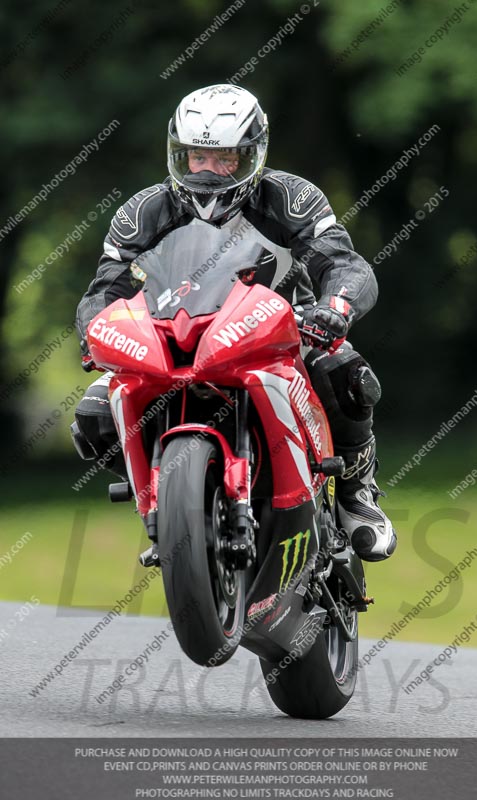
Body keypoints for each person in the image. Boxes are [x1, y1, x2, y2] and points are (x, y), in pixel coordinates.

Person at [74, 83, 396, 562]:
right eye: (194, 157)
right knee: (94, 413)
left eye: (225, 158)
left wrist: (336, 307)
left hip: (282, 334)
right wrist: (95, 333)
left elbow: (344, 264)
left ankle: (356, 493)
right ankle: (172, 502)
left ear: (254, 155)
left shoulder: (291, 199)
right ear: (175, 154)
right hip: (175, 339)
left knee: (347, 373)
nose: (206, 171)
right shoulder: (142, 211)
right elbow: (105, 289)